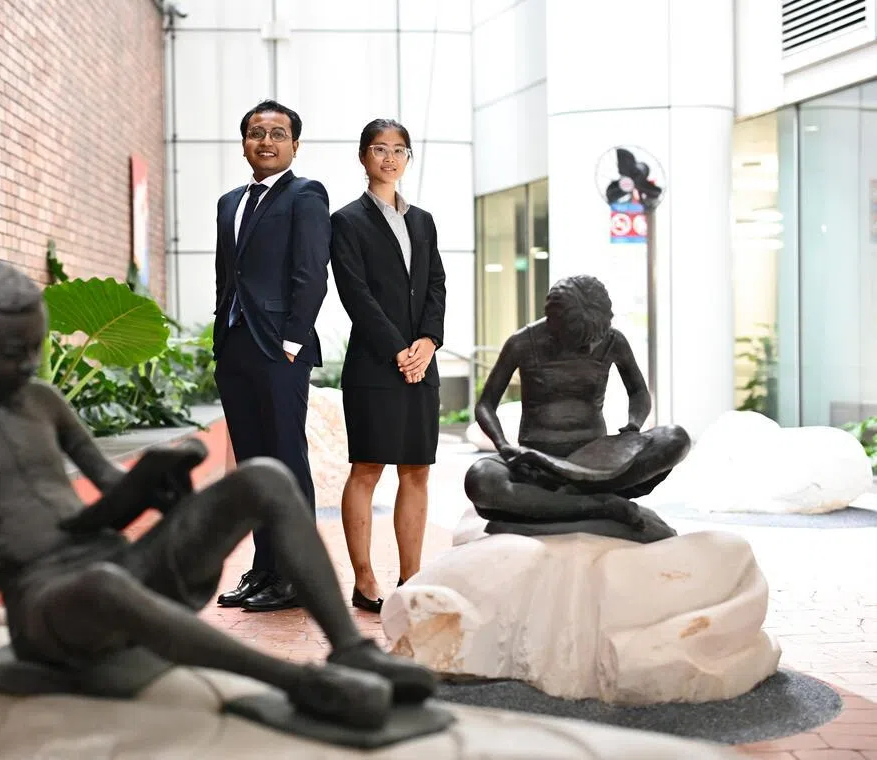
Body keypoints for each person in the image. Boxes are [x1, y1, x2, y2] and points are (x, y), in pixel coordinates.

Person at [0, 261, 435, 731]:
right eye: (12, 353)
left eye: (34, 349)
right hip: (47, 607)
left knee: (263, 476)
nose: (28, 364)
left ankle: (349, 650)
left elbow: (111, 487)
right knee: (102, 584)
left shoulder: (41, 400)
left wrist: (157, 487)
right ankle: (298, 683)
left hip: (117, 561)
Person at [211, 100, 331, 612]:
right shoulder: (228, 202)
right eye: (256, 133)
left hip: (280, 349)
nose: (266, 141)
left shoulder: (306, 195)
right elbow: (227, 275)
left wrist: (292, 340)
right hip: (235, 345)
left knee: (286, 460)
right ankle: (264, 570)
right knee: (255, 465)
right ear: (243, 143)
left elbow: (311, 272)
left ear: (294, 145)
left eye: (278, 134)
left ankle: (296, 574)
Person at [465, 274, 688, 543]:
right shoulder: (523, 343)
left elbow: (639, 392)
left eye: (595, 339)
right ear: (554, 326)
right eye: (581, 341)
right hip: (536, 461)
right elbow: (486, 405)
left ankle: (560, 501)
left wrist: (633, 426)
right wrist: (503, 446)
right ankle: (599, 506)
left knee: (676, 437)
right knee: (481, 479)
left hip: (598, 461)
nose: (590, 347)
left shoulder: (613, 341)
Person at [329, 119, 446, 613]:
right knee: (368, 467)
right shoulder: (346, 221)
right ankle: (364, 578)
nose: (390, 158)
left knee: (416, 470)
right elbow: (354, 293)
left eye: (399, 150)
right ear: (363, 157)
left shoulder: (422, 220)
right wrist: (398, 349)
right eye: (380, 149)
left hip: (421, 361)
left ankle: (412, 577)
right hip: (376, 364)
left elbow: (436, 284)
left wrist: (428, 341)